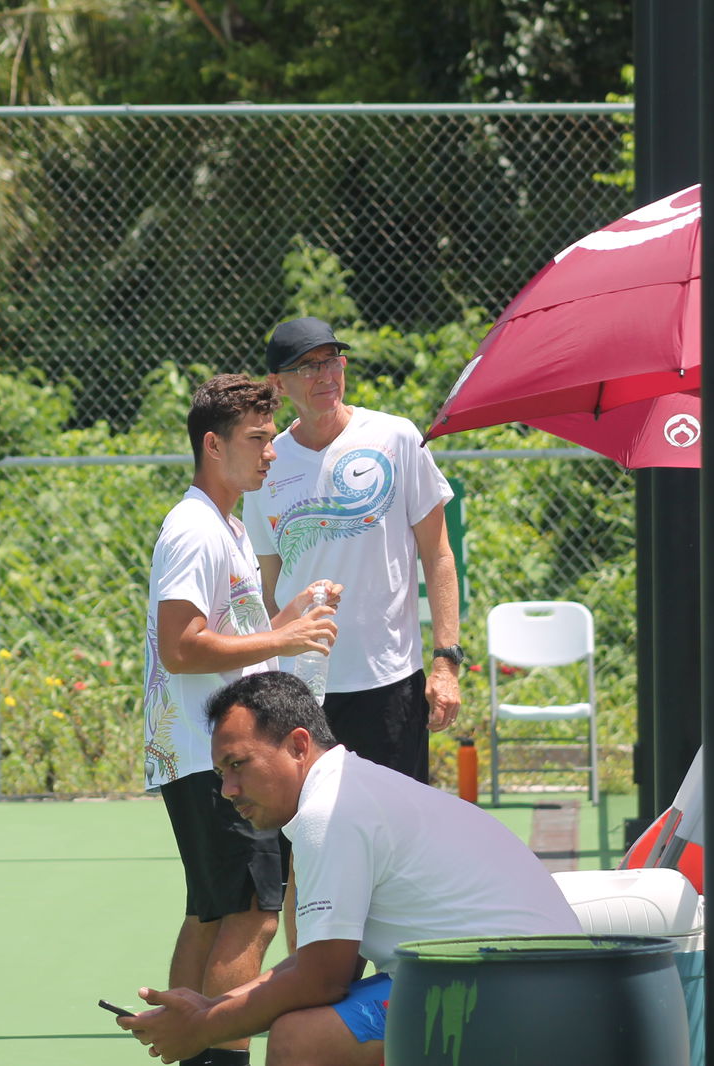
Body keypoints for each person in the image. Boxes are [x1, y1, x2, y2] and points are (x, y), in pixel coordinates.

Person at [119, 671, 581, 1065]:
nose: (229, 789)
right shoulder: (351, 788)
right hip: (540, 985)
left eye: (239, 764)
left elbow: (323, 981)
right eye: (221, 772)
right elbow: (322, 962)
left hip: (512, 994)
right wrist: (209, 1009)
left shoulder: (330, 811)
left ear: (299, 745)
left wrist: (201, 1030)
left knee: (301, 1040)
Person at [142, 375, 342, 1066]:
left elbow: (231, 635)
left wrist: (293, 617)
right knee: (251, 917)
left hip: (202, 753)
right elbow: (182, 643)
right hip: (216, 757)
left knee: (212, 910)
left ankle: (188, 1051)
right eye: (256, 441)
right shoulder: (196, 528)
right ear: (212, 444)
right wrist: (284, 641)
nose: (270, 454)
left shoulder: (223, 523)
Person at [243, 316, 462, 784]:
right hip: (300, 691)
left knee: (395, 839)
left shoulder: (397, 437)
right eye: (308, 367)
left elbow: (438, 555)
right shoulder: (267, 466)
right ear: (277, 384)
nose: (325, 375)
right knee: (304, 841)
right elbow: (269, 587)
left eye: (331, 361)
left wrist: (446, 661)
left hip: (390, 682)